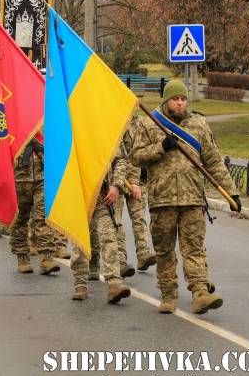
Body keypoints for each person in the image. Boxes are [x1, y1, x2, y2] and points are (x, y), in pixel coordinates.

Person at [130, 80, 239, 315]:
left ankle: (200, 293)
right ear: (166, 100)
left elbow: (214, 161)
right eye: (175, 99)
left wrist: (232, 192)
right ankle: (168, 294)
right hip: (162, 199)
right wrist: (161, 147)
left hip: (193, 199)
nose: (179, 103)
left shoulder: (199, 124)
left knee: (194, 248)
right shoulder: (150, 124)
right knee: (164, 250)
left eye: (183, 99)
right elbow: (136, 156)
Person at [70, 144, 132, 304]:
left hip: (102, 196)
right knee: (79, 241)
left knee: (108, 237)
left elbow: (120, 160)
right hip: (78, 194)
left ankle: (114, 283)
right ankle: (80, 284)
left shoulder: (103, 128)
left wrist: (116, 185)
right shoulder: (70, 127)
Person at [10, 139, 60, 275]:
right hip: (18, 177)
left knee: (43, 216)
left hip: (42, 176)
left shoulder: (43, 119)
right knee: (20, 219)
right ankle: (22, 257)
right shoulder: (10, 120)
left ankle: (46, 258)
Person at [116, 115, 157, 272]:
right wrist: (131, 182)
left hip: (139, 179)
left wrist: (137, 181)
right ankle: (120, 260)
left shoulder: (141, 124)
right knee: (116, 221)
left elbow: (141, 152)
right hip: (117, 180)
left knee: (139, 218)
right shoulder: (112, 122)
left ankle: (143, 253)